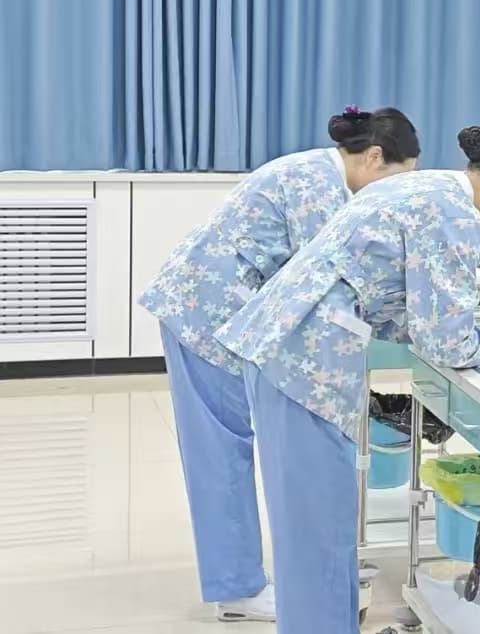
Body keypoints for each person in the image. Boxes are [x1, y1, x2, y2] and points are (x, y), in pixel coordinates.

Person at [212, 116, 480, 634]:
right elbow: (445, 341)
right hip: (305, 357)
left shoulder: (429, 186)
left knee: (312, 523)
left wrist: (460, 330)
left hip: (289, 347)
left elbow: (401, 300)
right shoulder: (454, 213)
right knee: (320, 526)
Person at [138, 107, 420, 622]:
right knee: (222, 451)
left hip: (217, 309)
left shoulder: (318, 172)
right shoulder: (320, 186)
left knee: (226, 447)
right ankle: (239, 588)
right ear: (374, 157)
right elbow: (329, 273)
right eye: (397, 180)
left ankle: (275, 575)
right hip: (205, 314)